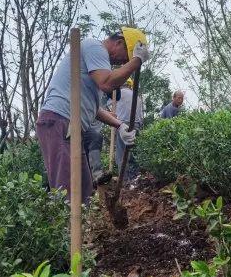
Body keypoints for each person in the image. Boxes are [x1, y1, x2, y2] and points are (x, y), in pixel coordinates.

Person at [36, 27, 149, 203]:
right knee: (66, 192)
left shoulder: (94, 67)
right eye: (125, 57)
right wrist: (136, 61)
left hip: (71, 126)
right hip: (58, 120)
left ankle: (84, 221)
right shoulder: (95, 47)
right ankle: (64, 222)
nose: (123, 63)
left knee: (84, 191)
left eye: (127, 60)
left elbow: (94, 109)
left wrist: (120, 125)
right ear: (119, 42)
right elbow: (107, 83)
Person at [114, 78, 144, 170]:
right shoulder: (137, 96)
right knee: (134, 152)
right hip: (136, 125)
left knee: (121, 153)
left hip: (122, 124)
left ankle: (124, 176)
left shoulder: (118, 94)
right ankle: (135, 174)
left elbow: (107, 104)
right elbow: (141, 116)